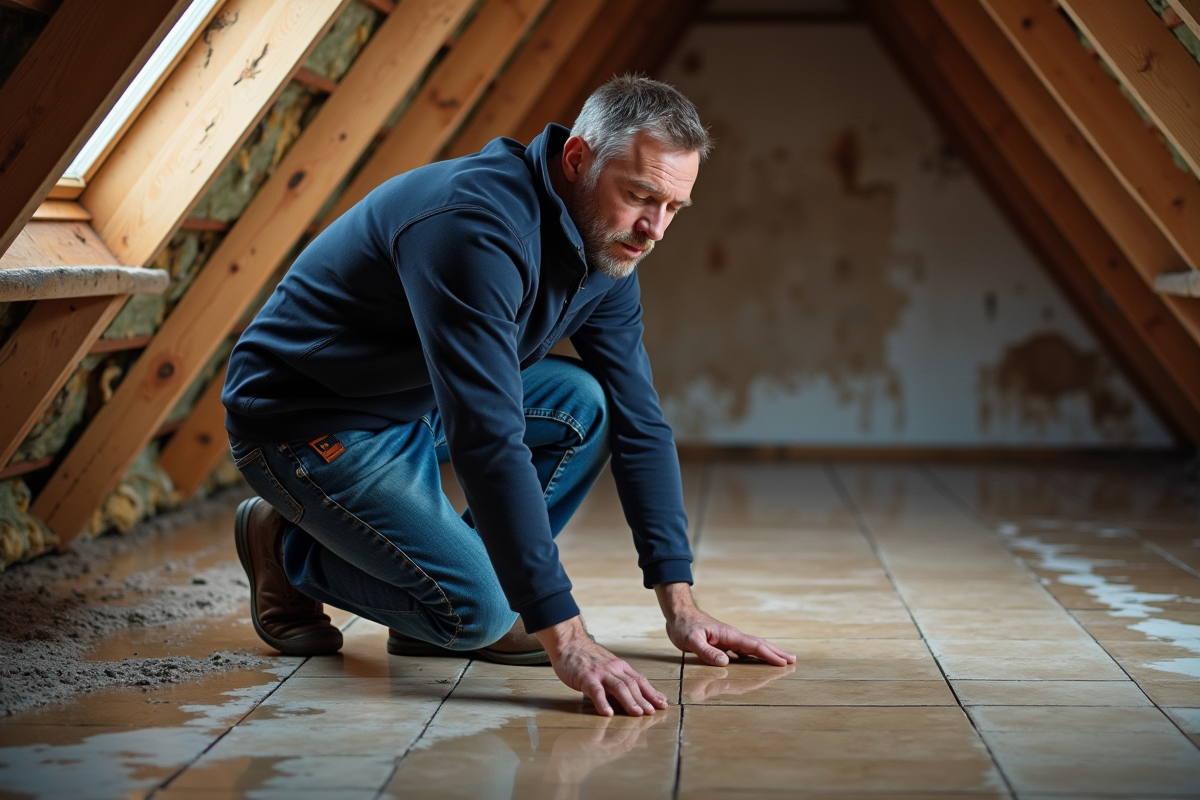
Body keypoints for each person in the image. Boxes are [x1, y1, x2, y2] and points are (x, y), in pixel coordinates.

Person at [223, 75, 795, 717]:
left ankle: (429, 603)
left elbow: (641, 421)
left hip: (415, 399)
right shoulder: (474, 227)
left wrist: (680, 603)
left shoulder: (607, 247)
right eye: (640, 196)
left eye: (673, 208)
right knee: (483, 614)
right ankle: (289, 547)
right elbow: (488, 437)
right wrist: (564, 633)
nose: (654, 229)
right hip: (311, 423)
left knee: (590, 403)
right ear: (578, 158)